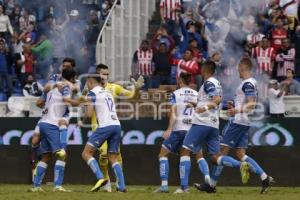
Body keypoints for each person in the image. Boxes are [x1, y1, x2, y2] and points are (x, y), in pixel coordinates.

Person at [200, 58, 274, 194]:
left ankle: (212, 184)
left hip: (238, 121)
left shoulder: (247, 84)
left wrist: (236, 110)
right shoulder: (251, 83)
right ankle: (265, 178)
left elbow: (251, 104)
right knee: (240, 153)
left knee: (219, 154)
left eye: (239, 68)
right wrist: (234, 106)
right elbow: (247, 103)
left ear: (244, 68)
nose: (237, 71)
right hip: (245, 122)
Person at [177, 61, 250, 194]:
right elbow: (212, 99)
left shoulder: (209, 83)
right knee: (215, 157)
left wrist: (203, 108)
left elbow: (215, 100)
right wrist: (195, 104)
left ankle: (183, 188)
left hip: (201, 123)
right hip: (213, 125)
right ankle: (241, 165)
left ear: (204, 70)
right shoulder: (217, 83)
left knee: (185, 150)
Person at [92, 64, 144, 192]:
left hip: (112, 124)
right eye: (103, 74)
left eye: (107, 74)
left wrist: (136, 89)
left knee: (116, 157)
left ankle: (119, 184)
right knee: (104, 155)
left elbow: (133, 96)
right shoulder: (92, 88)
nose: (106, 76)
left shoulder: (114, 88)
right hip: (98, 125)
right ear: (98, 75)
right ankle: (106, 182)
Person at [30, 67, 80, 192]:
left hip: (44, 123)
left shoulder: (52, 87)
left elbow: (41, 99)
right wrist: (79, 102)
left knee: (46, 156)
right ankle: (57, 186)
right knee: (62, 154)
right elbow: (66, 99)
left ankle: (36, 186)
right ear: (73, 78)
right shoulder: (66, 86)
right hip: (52, 124)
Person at [81, 70, 126, 193]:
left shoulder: (92, 93)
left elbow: (89, 114)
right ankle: (121, 186)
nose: (87, 85)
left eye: (87, 83)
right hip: (116, 125)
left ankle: (100, 178)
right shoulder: (107, 92)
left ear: (90, 82)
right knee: (113, 157)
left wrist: (85, 105)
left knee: (86, 154)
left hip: (104, 126)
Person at [154, 73, 198, 193]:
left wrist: (169, 129)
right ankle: (184, 187)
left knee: (162, 154)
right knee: (185, 155)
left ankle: (164, 186)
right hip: (191, 130)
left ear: (180, 80)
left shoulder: (176, 94)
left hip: (179, 129)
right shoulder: (196, 94)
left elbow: (172, 113)